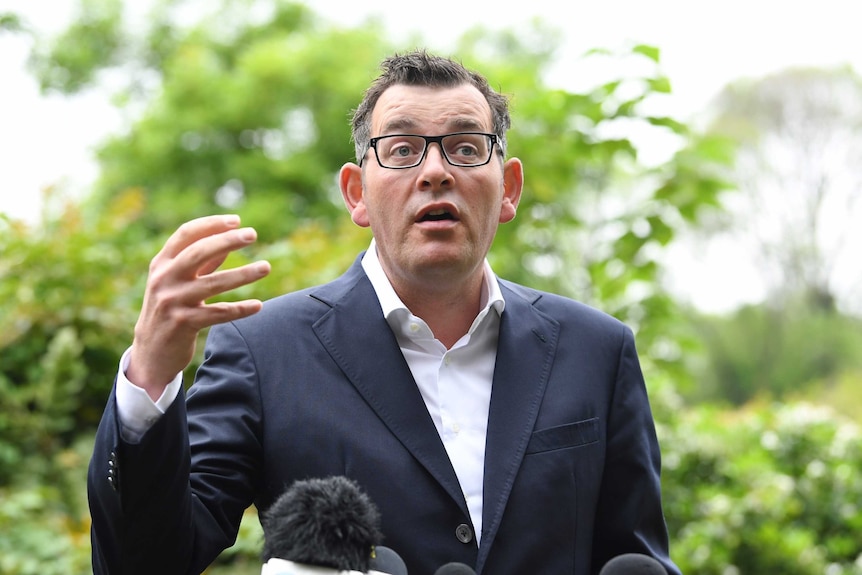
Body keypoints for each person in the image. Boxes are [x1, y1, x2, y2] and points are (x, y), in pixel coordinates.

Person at [88, 49, 681, 575]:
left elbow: (634, 559)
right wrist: (149, 378)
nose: (435, 172)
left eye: (466, 148)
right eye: (400, 150)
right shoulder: (263, 351)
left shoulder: (596, 350)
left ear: (509, 189)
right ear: (356, 193)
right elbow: (146, 563)